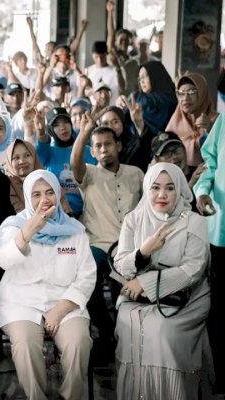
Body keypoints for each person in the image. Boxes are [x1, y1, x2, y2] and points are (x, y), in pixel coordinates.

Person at [0, 170, 96, 400]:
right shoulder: (13, 225)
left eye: (50, 192)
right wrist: (29, 230)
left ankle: (70, 396)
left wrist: (61, 309)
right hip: (20, 301)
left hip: (65, 301)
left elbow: (87, 275)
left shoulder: (74, 230)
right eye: (36, 194)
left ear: (58, 194)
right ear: (28, 198)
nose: (44, 199)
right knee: (26, 343)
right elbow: (4, 261)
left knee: (79, 342)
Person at [114, 162, 211, 399]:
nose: (161, 195)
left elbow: (193, 270)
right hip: (138, 298)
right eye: (155, 187)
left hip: (188, 298)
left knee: (162, 331)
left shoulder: (194, 222)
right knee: (128, 323)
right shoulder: (134, 219)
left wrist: (144, 283)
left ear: (179, 189)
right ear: (147, 189)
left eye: (169, 188)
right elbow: (121, 264)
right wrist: (143, 252)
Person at [71, 119, 144, 365]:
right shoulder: (89, 173)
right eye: (98, 146)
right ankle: (105, 330)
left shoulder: (136, 174)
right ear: (92, 151)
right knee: (86, 276)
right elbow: (75, 164)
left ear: (119, 146)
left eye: (108, 144)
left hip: (129, 247)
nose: (103, 150)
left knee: (123, 289)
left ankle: (124, 339)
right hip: (98, 244)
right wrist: (82, 134)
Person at [194, 112, 225, 394]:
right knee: (219, 309)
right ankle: (223, 376)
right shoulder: (224, 120)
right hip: (222, 230)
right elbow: (210, 164)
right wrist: (203, 190)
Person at [166, 72, 218, 169]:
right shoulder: (175, 123)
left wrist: (211, 130)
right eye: (181, 93)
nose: (185, 98)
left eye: (192, 92)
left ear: (202, 93)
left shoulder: (217, 120)